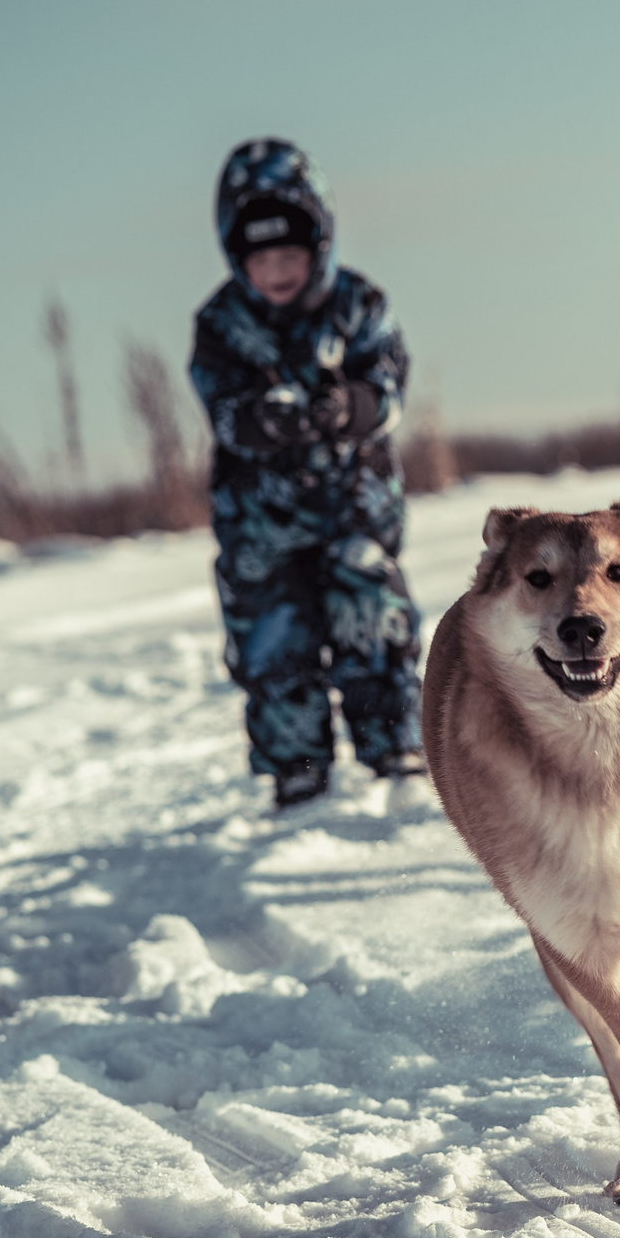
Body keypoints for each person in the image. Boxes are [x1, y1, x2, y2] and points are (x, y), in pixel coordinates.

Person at [190, 138, 426, 811]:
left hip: (355, 509)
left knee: (371, 619)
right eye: (261, 258)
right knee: (273, 640)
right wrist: (263, 419)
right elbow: (220, 404)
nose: (278, 269)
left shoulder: (357, 304)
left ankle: (396, 749)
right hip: (261, 526)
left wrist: (351, 404)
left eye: (291, 253)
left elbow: (388, 379)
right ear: (238, 259)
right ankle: (297, 768)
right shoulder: (221, 325)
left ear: (319, 244)